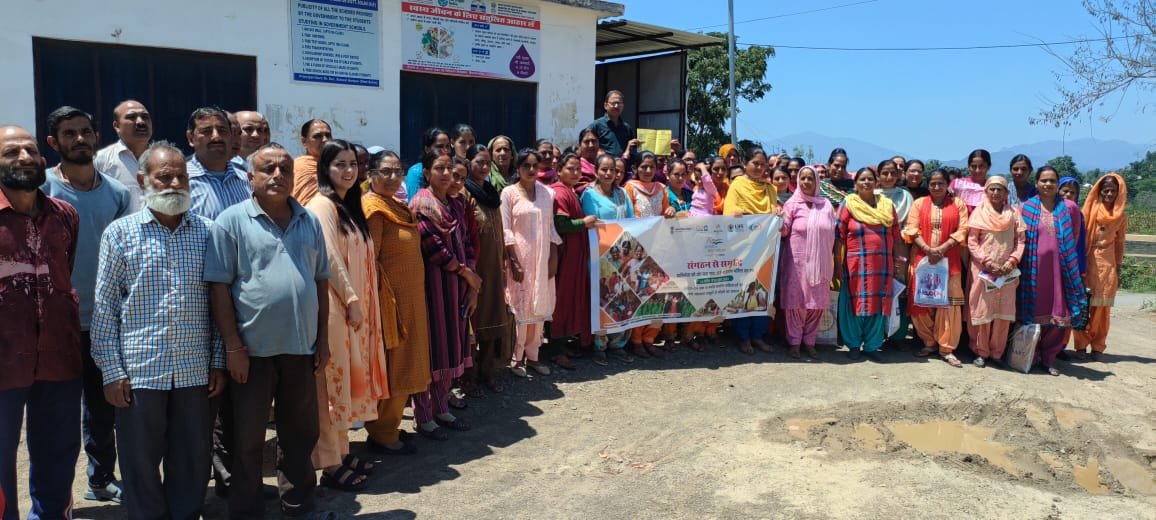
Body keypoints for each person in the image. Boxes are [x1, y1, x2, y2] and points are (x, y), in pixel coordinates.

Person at [91, 141, 225, 520]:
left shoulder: (209, 233)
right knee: (140, 462)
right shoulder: (120, 234)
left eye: (181, 176)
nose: (175, 184)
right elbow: (105, 308)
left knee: (192, 458)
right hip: (139, 372)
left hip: (194, 369)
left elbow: (220, 305)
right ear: (142, 180)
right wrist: (111, 371)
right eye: (164, 177)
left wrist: (218, 360)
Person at [205, 143, 331, 518]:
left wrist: (323, 341)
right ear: (250, 177)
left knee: (300, 435)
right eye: (268, 169)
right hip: (251, 353)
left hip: (301, 349)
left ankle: (298, 505)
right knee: (246, 439)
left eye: (284, 169)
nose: (278, 175)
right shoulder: (231, 221)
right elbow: (219, 287)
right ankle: (247, 510)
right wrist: (233, 348)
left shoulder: (308, 220)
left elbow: (321, 282)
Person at [40, 106, 132, 504]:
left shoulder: (118, 194)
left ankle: (100, 479)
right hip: (55, 324)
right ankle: (52, 495)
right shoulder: (42, 189)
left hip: (105, 323)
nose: (79, 139)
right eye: (69, 133)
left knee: (103, 409)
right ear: (53, 142)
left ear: (96, 137)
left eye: (85, 132)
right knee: (55, 412)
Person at [0, 125, 81, 520]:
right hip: (3, 359)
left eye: (30, 150)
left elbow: (64, 273)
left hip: (57, 354)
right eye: (11, 152)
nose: (24, 158)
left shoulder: (65, 215)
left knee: (58, 452)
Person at [303, 140, 388, 491]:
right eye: (340, 164)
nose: (349, 170)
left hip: (355, 312)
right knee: (332, 387)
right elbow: (328, 257)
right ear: (325, 168)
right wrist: (352, 299)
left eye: (353, 163)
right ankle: (329, 463)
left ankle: (341, 451)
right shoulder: (321, 206)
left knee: (347, 387)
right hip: (335, 309)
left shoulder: (348, 206)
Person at [361, 151, 432, 454]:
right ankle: (383, 432)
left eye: (397, 172)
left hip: (410, 300)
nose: (392, 178)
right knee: (395, 365)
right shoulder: (373, 209)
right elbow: (369, 261)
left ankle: (390, 425)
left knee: (407, 361)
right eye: (385, 171)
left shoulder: (397, 206)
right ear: (371, 174)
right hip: (391, 304)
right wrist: (381, 303)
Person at [411, 152, 481, 440]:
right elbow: (434, 248)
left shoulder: (455, 203)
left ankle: (441, 409)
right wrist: (467, 273)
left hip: (458, 288)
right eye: (438, 168)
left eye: (448, 168)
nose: (444, 173)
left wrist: (471, 281)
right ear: (427, 173)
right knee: (433, 349)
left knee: (451, 346)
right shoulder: (421, 205)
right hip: (433, 289)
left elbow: (466, 242)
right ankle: (423, 416)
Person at [1017, 166, 1086, 376]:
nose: (1048, 184)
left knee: (1059, 313)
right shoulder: (1025, 208)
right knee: (1033, 312)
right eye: (1044, 180)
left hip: (1061, 270)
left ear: (1057, 184)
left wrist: (1065, 259)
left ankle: (1048, 358)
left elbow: (1074, 237)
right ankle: (1032, 354)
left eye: (1052, 181)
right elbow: (1020, 238)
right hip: (1033, 270)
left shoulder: (1070, 208)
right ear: (1036, 183)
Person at [459, 145, 515, 394]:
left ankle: (488, 371)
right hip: (474, 268)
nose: (483, 167)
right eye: (478, 162)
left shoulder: (491, 193)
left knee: (493, 315)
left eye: (486, 163)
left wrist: (504, 259)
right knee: (472, 321)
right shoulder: (464, 193)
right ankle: (468, 376)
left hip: (494, 267)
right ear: (468, 163)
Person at [502, 149, 562, 376]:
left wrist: (553, 257)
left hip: (542, 258)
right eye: (525, 165)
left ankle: (534, 356)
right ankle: (516, 359)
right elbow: (505, 229)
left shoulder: (548, 193)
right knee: (520, 308)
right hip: (519, 259)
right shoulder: (508, 193)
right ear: (517, 168)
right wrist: (514, 261)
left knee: (538, 306)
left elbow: (551, 228)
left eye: (534, 165)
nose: (530, 169)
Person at [904, 169, 969, 367]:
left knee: (948, 305)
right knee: (921, 303)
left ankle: (946, 348)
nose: (937, 187)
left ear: (947, 185)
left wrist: (942, 248)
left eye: (941, 183)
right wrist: (927, 249)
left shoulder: (957, 204)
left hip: (949, 261)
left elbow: (963, 229)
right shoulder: (919, 203)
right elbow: (911, 228)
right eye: (933, 183)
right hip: (923, 260)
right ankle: (929, 343)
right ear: (928, 185)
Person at [837, 167, 899, 362]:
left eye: (870, 179)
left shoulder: (887, 205)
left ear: (876, 182)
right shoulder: (848, 204)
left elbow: (896, 235)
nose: (866, 182)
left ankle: (872, 346)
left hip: (882, 264)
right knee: (854, 304)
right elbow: (838, 236)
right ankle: (854, 345)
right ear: (856, 184)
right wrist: (837, 264)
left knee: (878, 304)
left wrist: (899, 263)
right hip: (855, 265)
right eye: (862, 179)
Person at [581, 154, 637, 365]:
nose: (608, 173)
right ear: (596, 171)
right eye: (603, 169)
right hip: (600, 257)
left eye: (612, 170)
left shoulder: (622, 194)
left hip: (623, 257)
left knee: (623, 298)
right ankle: (599, 345)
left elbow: (632, 221)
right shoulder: (589, 195)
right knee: (602, 299)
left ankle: (618, 344)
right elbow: (591, 226)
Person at [723, 149, 778, 355]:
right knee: (745, 291)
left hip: (765, 248)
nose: (759, 168)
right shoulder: (737, 185)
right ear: (745, 163)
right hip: (743, 247)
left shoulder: (770, 189)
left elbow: (773, 212)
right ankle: (743, 337)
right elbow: (729, 214)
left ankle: (758, 336)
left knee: (762, 291)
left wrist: (777, 213)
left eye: (763, 164)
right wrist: (742, 214)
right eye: (755, 163)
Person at [967, 176, 1026, 367]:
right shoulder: (979, 212)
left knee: (1003, 312)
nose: (995, 193)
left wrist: (1012, 261)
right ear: (986, 191)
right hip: (983, 269)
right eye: (992, 189)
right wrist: (987, 262)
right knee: (982, 310)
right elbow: (972, 241)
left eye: (999, 189)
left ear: (1006, 193)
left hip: (1007, 271)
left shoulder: (1014, 213)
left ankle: (997, 353)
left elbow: (1020, 241)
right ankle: (980, 351)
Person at [779, 166, 837, 360]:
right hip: (796, 263)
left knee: (816, 304)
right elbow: (784, 231)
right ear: (797, 181)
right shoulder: (792, 204)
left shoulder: (825, 205)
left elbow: (832, 232)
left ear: (817, 182)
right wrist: (778, 220)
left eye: (810, 178)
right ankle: (794, 342)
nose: (805, 182)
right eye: (802, 178)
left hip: (821, 263)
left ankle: (810, 342)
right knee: (796, 304)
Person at [623, 152, 674, 357]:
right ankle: (636, 339)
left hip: (660, 248)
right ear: (635, 168)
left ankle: (650, 337)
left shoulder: (662, 189)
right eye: (643, 166)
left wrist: (670, 210)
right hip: (638, 250)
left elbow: (666, 212)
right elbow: (627, 217)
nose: (647, 170)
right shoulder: (629, 188)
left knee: (658, 294)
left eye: (651, 167)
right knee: (640, 294)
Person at [1072, 173, 1127, 361]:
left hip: (1108, 264)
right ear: (1099, 191)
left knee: (1102, 309)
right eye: (1106, 190)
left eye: (1113, 191)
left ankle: (1098, 346)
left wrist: (1118, 268)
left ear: (1119, 193)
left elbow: (1119, 243)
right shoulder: (1088, 212)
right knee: (1083, 305)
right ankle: (1080, 346)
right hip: (1087, 261)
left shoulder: (1121, 217)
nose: (1109, 194)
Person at [549, 152, 596, 367]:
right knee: (562, 300)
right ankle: (556, 350)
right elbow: (561, 225)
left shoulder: (571, 191)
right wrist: (583, 223)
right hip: (564, 256)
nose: (576, 172)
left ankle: (562, 344)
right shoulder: (560, 193)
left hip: (574, 255)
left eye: (578, 169)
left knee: (569, 299)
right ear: (559, 170)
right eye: (570, 168)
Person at [185, 107, 252, 221]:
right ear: (191, 138)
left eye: (222, 130)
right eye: (206, 131)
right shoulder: (181, 181)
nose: (216, 136)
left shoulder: (247, 181)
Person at [94, 99, 152, 210]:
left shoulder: (164, 159)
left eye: (145, 117)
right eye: (131, 117)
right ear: (117, 126)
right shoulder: (101, 160)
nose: (141, 122)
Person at [291, 118, 333, 205]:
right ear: (304, 142)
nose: (325, 139)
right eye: (318, 136)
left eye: (328, 135)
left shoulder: (335, 166)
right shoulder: (301, 166)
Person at [405, 127, 450, 201]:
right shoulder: (416, 171)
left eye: (447, 146)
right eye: (439, 146)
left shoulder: (451, 169)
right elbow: (415, 202)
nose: (445, 150)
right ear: (427, 149)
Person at [591, 90, 636, 159]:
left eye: (619, 103)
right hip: (604, 164)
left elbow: (632, 150)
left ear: (623, 106)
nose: (616, 106)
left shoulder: (627, 128)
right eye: (613, 103)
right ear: (605, 105)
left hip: (622, 164)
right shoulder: (596, 125)